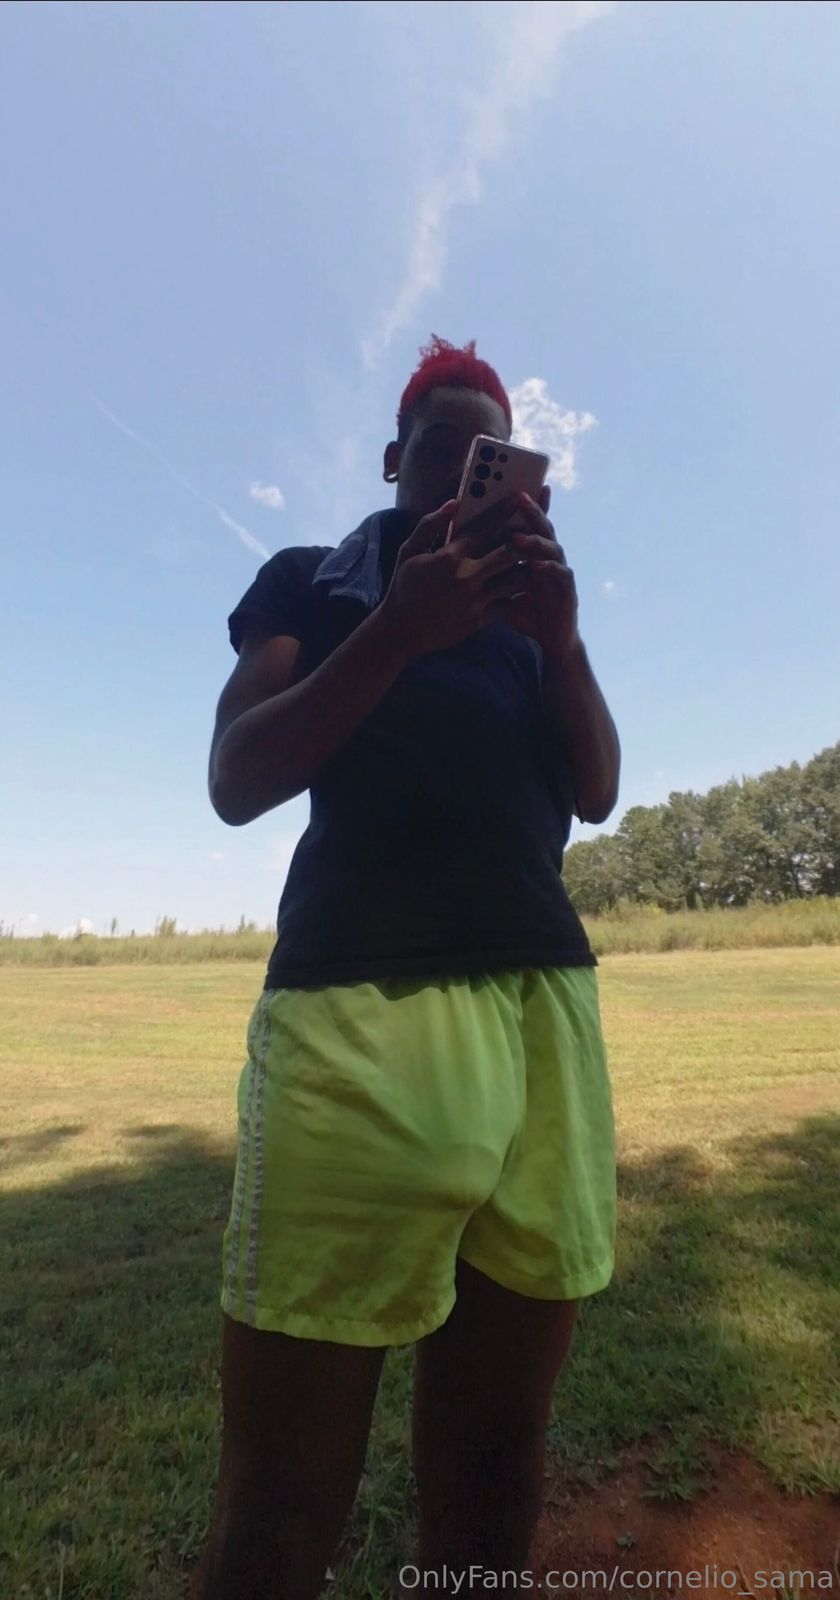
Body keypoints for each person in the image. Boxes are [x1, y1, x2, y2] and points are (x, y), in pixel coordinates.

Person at [191, 336, 620, 1600]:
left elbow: (597, 789)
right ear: (393, 461)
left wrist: (564, 638)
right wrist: (395, 631)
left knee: (498, 1454)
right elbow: (236, 778)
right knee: (282, 1497)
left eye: (492, 456)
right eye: (441, 449)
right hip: (356, 1007)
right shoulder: (313, 582)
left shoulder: (528, 621)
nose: (464, 472)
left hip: (545, 1012)